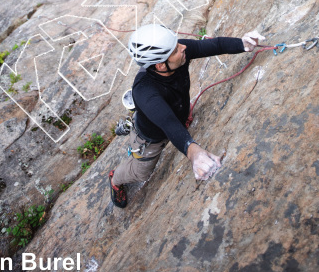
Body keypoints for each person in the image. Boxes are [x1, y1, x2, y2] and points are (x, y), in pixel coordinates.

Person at [109, 23, 265, 208]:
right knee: (142, 172)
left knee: (179, 117)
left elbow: (213, 45)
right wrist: (193, 152)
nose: (183, 47)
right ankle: (115, 179)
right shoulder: (144, 91)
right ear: (160, 65)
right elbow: (168, 123)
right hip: (152, 137)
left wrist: (242, 44)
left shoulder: (175, 54)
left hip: (178, 113)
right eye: (176, 49)